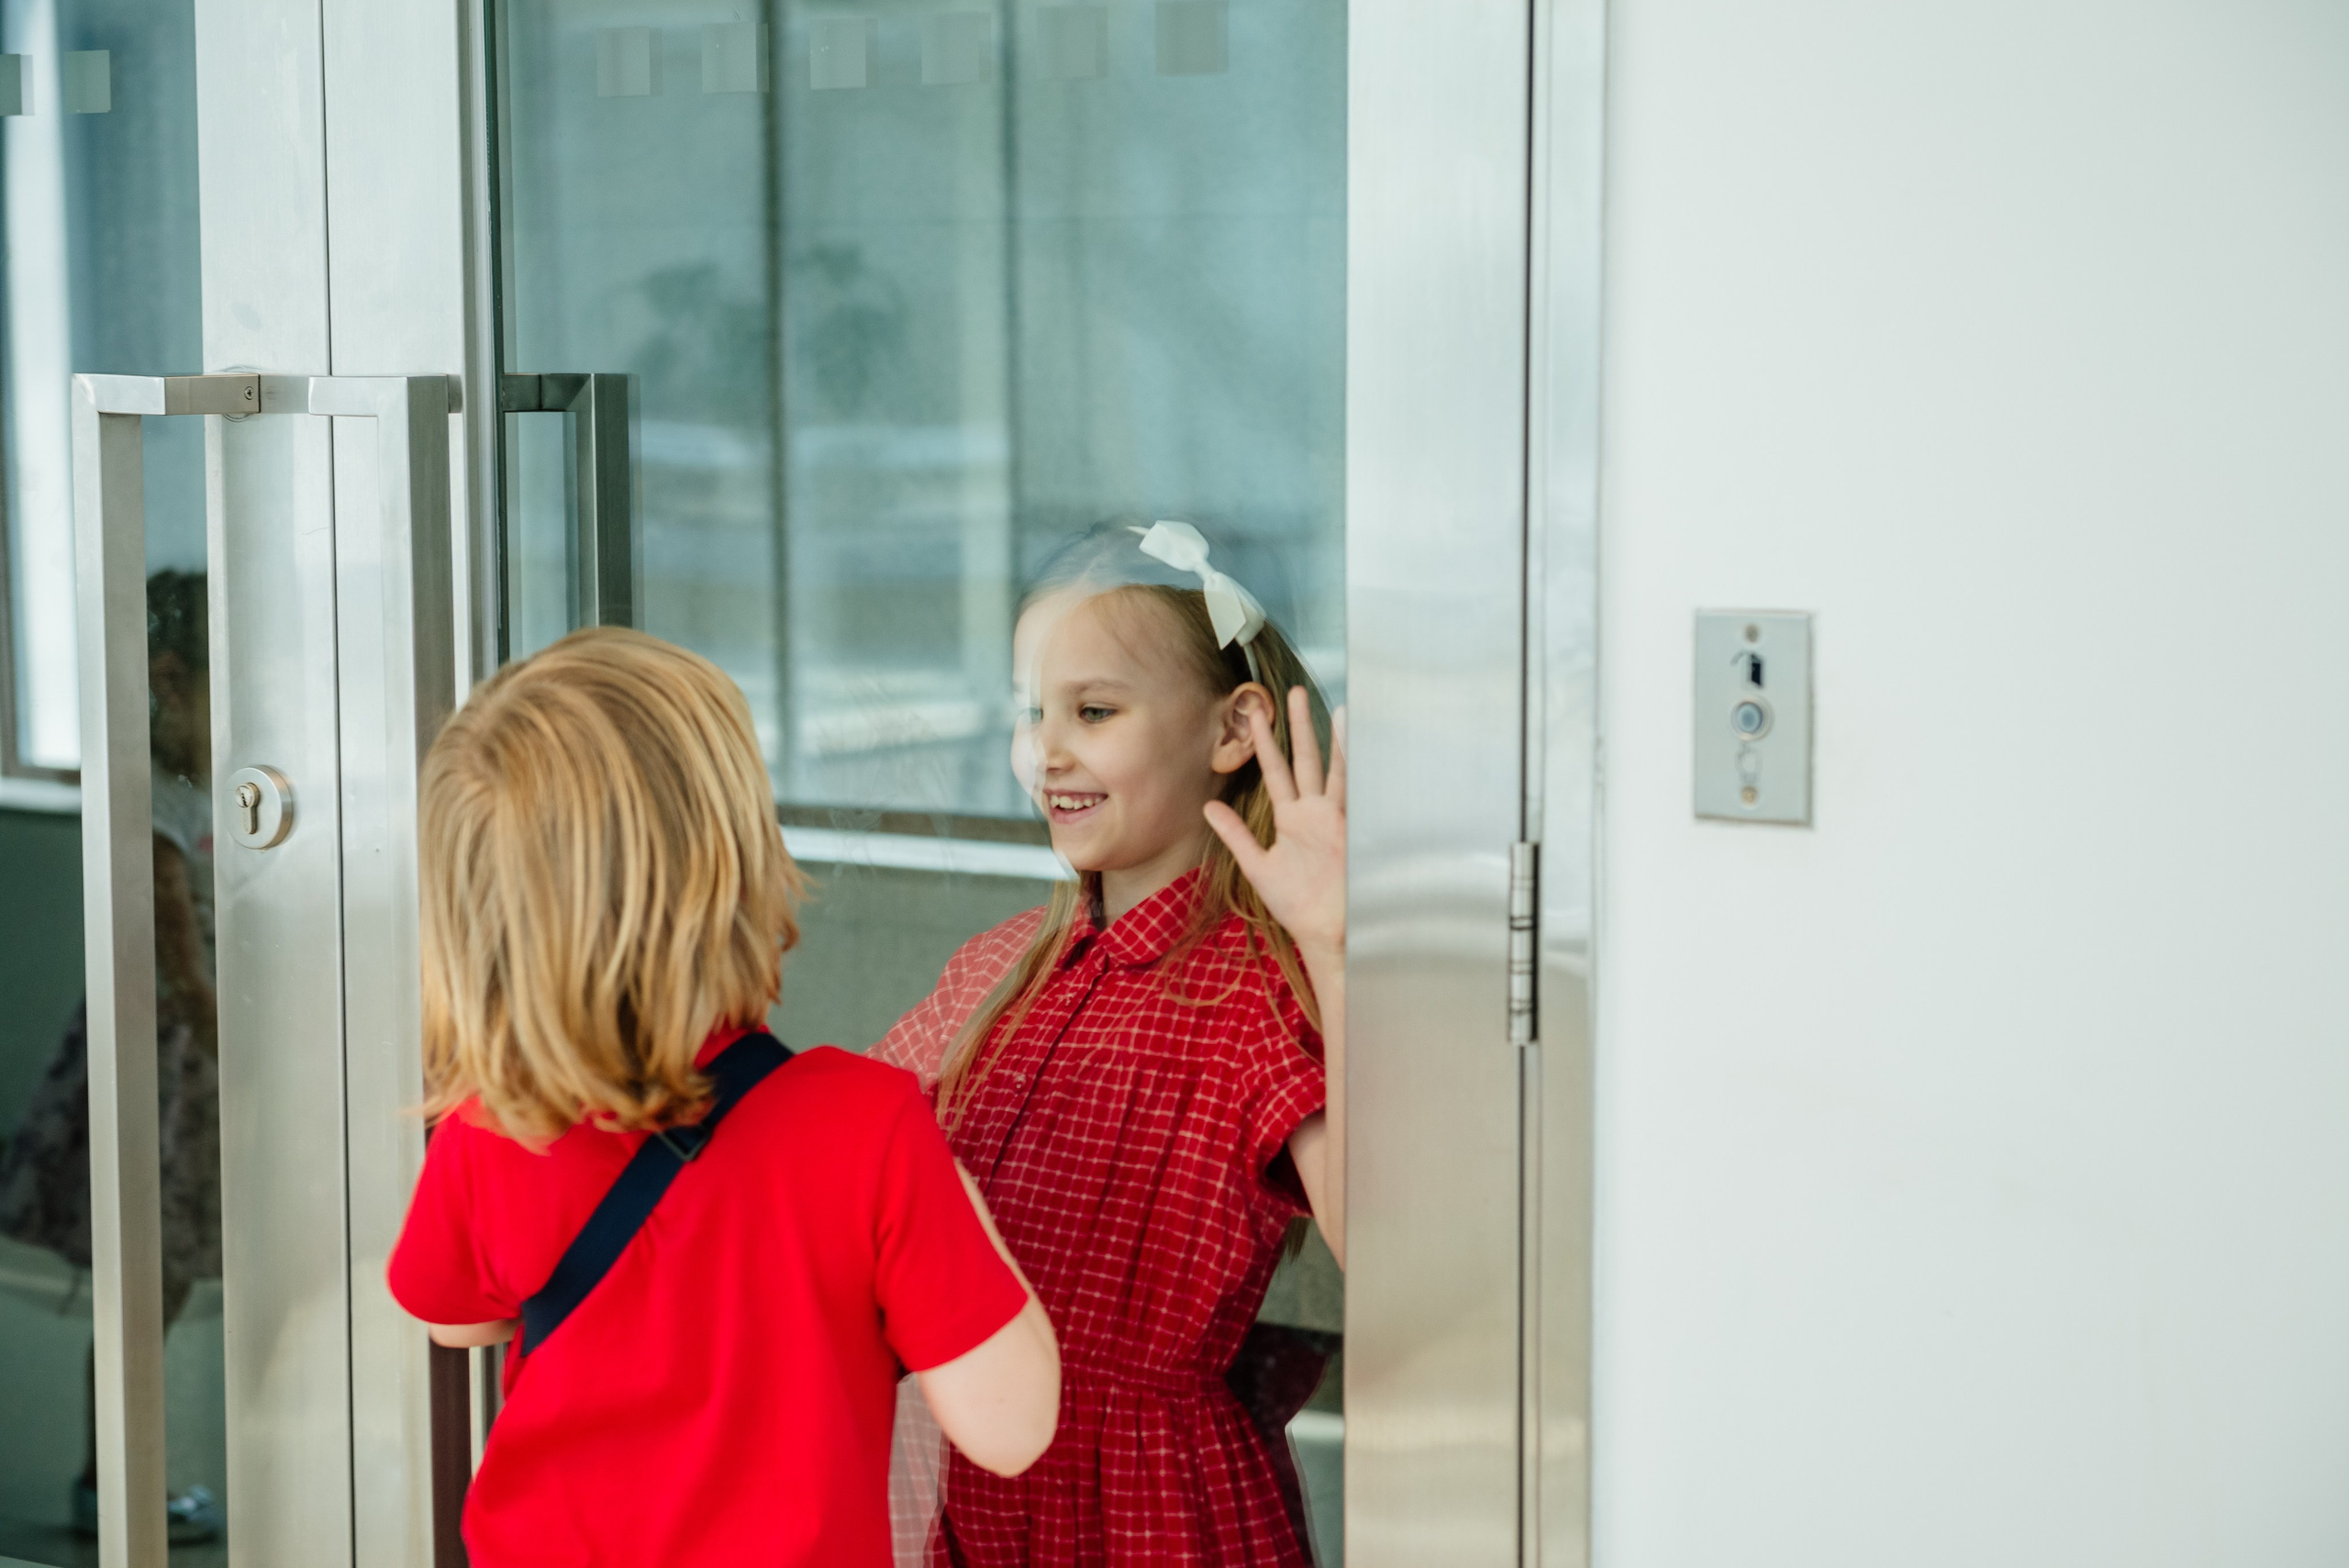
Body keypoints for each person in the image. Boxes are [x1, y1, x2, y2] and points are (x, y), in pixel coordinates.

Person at [385, 628, 1061, 1567]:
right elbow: (1011, 1425)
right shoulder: (865, 1123)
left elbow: (452, 1314)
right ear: (733, 864)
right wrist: (951, 1193)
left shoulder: (490, 1120)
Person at [875, 522, 1347, 1566]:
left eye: (1093, 710)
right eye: (1032, 712)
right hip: (961, 1481)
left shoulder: (1262, 987)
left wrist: (1327, 939)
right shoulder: (993, 968)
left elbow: (1396, 1251)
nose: (1047, 750)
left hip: (1148, 1508)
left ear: (1235, 727)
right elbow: (848, 1173)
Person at [0, 569, 225, 1542]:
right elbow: (183, 969)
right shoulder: (155, 804)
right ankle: (113, 1478)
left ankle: (124, 1474)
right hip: (174, 1072)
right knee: (149, 1280)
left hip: (198, 1067)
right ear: (171, 682)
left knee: (163, 1281)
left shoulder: (205, 782)